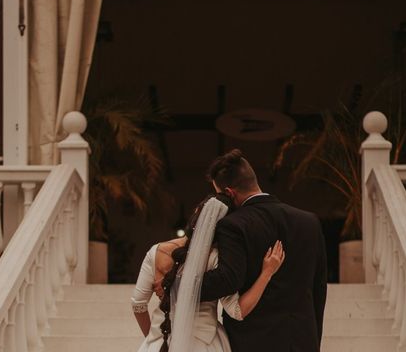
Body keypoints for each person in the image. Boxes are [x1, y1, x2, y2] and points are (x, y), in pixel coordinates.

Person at [200, 149, 328, 352]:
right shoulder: (309, 222)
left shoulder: (233, 225)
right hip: (302, 338)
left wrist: (182, 283)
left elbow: (228, 280)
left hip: (252, 341)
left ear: (229, 193)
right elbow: (319, 287)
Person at [132, 193, 285, 352]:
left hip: (159, 343)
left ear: (197, 212)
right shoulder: (216, 259)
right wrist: (267, 273)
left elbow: (138, 304)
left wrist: (152, 338)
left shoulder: (156, 251)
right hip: (205, 344)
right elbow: (238, 311)